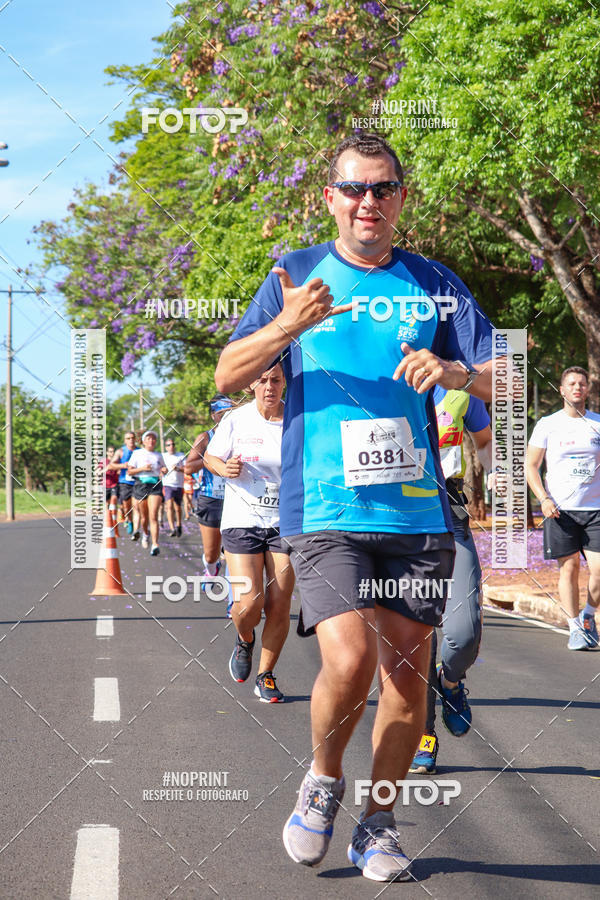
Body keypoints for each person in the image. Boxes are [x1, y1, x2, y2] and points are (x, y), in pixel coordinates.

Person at [214, 132, 497, 882]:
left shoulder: (437, 282)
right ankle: (324, 780)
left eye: (383, 188)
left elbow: (515, 376)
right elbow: (226, 371)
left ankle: (377, 824)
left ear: (402, 198)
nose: (368, 201)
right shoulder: (296, 273)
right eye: (354, 189)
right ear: (330, 198)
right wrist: (287, 325)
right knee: (350, 656)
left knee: (406, 677)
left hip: (414, 514)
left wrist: (456, 369)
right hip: (326, 506)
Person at [410, 387, 493, 775]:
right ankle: (423, 736)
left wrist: (498, 487)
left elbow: (488, 439)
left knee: (464, 630)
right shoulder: (379, 379)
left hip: (451, 514)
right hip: (399, 520)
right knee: (417, 638)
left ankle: (453, 681)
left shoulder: (461, 386)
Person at [204, 365, 294, 702]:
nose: (269, 387)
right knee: (248, 603)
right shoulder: (236, 419)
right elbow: (211, 456)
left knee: (280, 602)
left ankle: (266, 674)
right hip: (242, 518)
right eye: (262, 381)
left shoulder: (297, 419)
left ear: (284, 382)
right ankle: (245, 640)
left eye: (276, 380)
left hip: (285, 520)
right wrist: (223, 467)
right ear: (252, 384)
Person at [527, 366, 600, 651]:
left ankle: (588, 614)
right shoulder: (547, 424)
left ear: (588, 390)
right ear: (562, 389)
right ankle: (574, 628)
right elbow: (531, 466)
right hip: (560, 510)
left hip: (596, 508)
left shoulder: (597, 423)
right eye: (571, 383)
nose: (577, 387)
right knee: (568, 569)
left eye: (582, 383)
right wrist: (543, 498)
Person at [184, 394, 234, 585]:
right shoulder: (205, 437)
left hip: (236, 499)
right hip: (211, 498)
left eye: (229, 412)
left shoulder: (242, 435)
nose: (225, 416)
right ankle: (212, 568)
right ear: (213, 415)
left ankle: (234, 600)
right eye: (221, 413)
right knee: (211, 554)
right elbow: (188, 467)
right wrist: (211, 459)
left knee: (234, 551)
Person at [127, 430, 167, 556]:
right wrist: (143, 468)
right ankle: (145, 534)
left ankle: (155, 545)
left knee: (153, 515)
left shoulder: (158, 455)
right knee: (144, 517)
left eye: (153, 439)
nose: (151, 440)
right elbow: (130, 472)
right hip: (141, 485)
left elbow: (163, 468)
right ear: (143, 441)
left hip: (155, 485)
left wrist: (164, 470)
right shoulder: (137, 453)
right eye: (148, 438)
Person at [108, 431, 138, 536]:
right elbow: (111, 465)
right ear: (125, 440)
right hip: (125, 482)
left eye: (132, 438)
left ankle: (136, 526)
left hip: (138, 481)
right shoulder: (121, 451)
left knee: (137, 505)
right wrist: (124, 465)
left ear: (136, 439)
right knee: (126, 505)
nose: (131, 440)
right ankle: (130, 520)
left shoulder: (140, 451)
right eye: (128, 438)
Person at [162, 437, 186, 537]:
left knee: (177, 507)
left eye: (172, 444)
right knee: (169, 506)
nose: (171, 446)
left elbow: (186, 469)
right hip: (168, 484)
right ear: (165, 447)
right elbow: (159, 468)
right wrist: (162, 470)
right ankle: (172, 528)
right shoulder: (162, 456)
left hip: (179, 484)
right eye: (168, 445)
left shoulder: (180, 456)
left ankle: (179, 525)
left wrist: (178, 468)